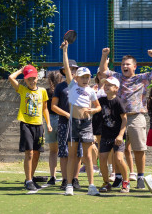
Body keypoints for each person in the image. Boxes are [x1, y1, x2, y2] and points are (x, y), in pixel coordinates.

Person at [99, 47, 152, 189]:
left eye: (127, 64)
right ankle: (118, 177)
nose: (124, 66)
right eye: (123, 64)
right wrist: (104, 55)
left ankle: (140, 176)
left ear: (134, 66)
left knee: (139, 149)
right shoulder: (116, 77)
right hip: (117, 119)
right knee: (117, 150)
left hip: (136, 117)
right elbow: (103, 71)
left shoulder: (142, 78)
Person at [61, 40, 102, 196]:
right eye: (82, 77)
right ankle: (69, 185)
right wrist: (65, 51)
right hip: (73, 123)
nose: (85, 79)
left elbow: (98, 107)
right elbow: (66, 67)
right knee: (72, 155)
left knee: (88, 156)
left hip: (86, 124)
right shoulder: (72, 86)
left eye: (87, 77)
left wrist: (92, 111)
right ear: (76, 78)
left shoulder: (91, 90)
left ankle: (91, 186)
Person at [8, 65, 52, 191]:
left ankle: (31, 179)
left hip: (39, 125)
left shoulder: (42, 91)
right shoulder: (22, 90)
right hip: (26, 124)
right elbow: (11, 77)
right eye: (28, 79)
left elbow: (45, 109)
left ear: (37, 78)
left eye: (33, 78)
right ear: (25, 80)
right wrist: (21, 71)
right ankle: (28, 180)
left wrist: (48, 123)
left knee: (37, 153)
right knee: (30, 152)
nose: (31, 81)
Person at [51, 59, 83, 191]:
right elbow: (53, 106)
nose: (72, 71)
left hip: (79, 123)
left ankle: (75, 179)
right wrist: (66, 114)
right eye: (69, 68)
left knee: (78, 152)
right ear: (64, 71)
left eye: (74, 69)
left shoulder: (81, 85)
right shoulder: (60, 87)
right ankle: (65, 179)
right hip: (64, 124)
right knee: (64, 152)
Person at [97, 77, 130, 193]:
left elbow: (124, 120)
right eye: (105, 84)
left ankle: (126, 182)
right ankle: (106, 183)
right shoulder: (101, 100)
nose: (106, 87)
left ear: (116, 88)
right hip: (106, 135)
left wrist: (120, 135)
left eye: (109, 85)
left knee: (119, 159)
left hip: (118, 136)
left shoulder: (118, 102)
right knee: (102, 159)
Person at [44, 71, 63, 185]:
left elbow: (44, 109)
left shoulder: (46, 92)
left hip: (49, 120)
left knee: (53, 151)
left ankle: (52, 176)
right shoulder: (63, 90)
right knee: (64, 151)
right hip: (62, 119)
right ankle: (66, 177)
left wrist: (48, 123)